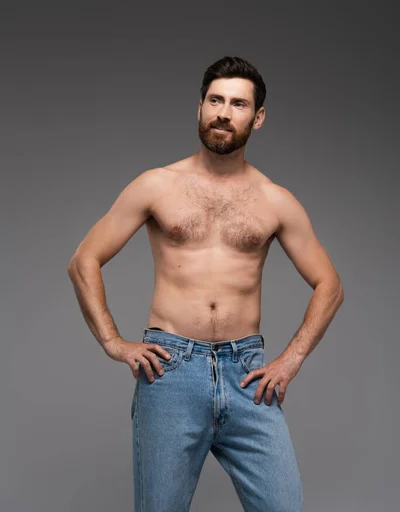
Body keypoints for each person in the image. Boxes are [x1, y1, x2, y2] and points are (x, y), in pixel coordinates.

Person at [68, 55, 344, 511]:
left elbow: (329, 284)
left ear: (257, 119)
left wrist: (290, 360)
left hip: (249, 377)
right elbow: (84, 261)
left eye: (237, 104)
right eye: (215, 100)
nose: (223, 112)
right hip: (171, 371)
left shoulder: (275, 200)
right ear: (199, 108)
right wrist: (114, 343)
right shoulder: (156, 185)